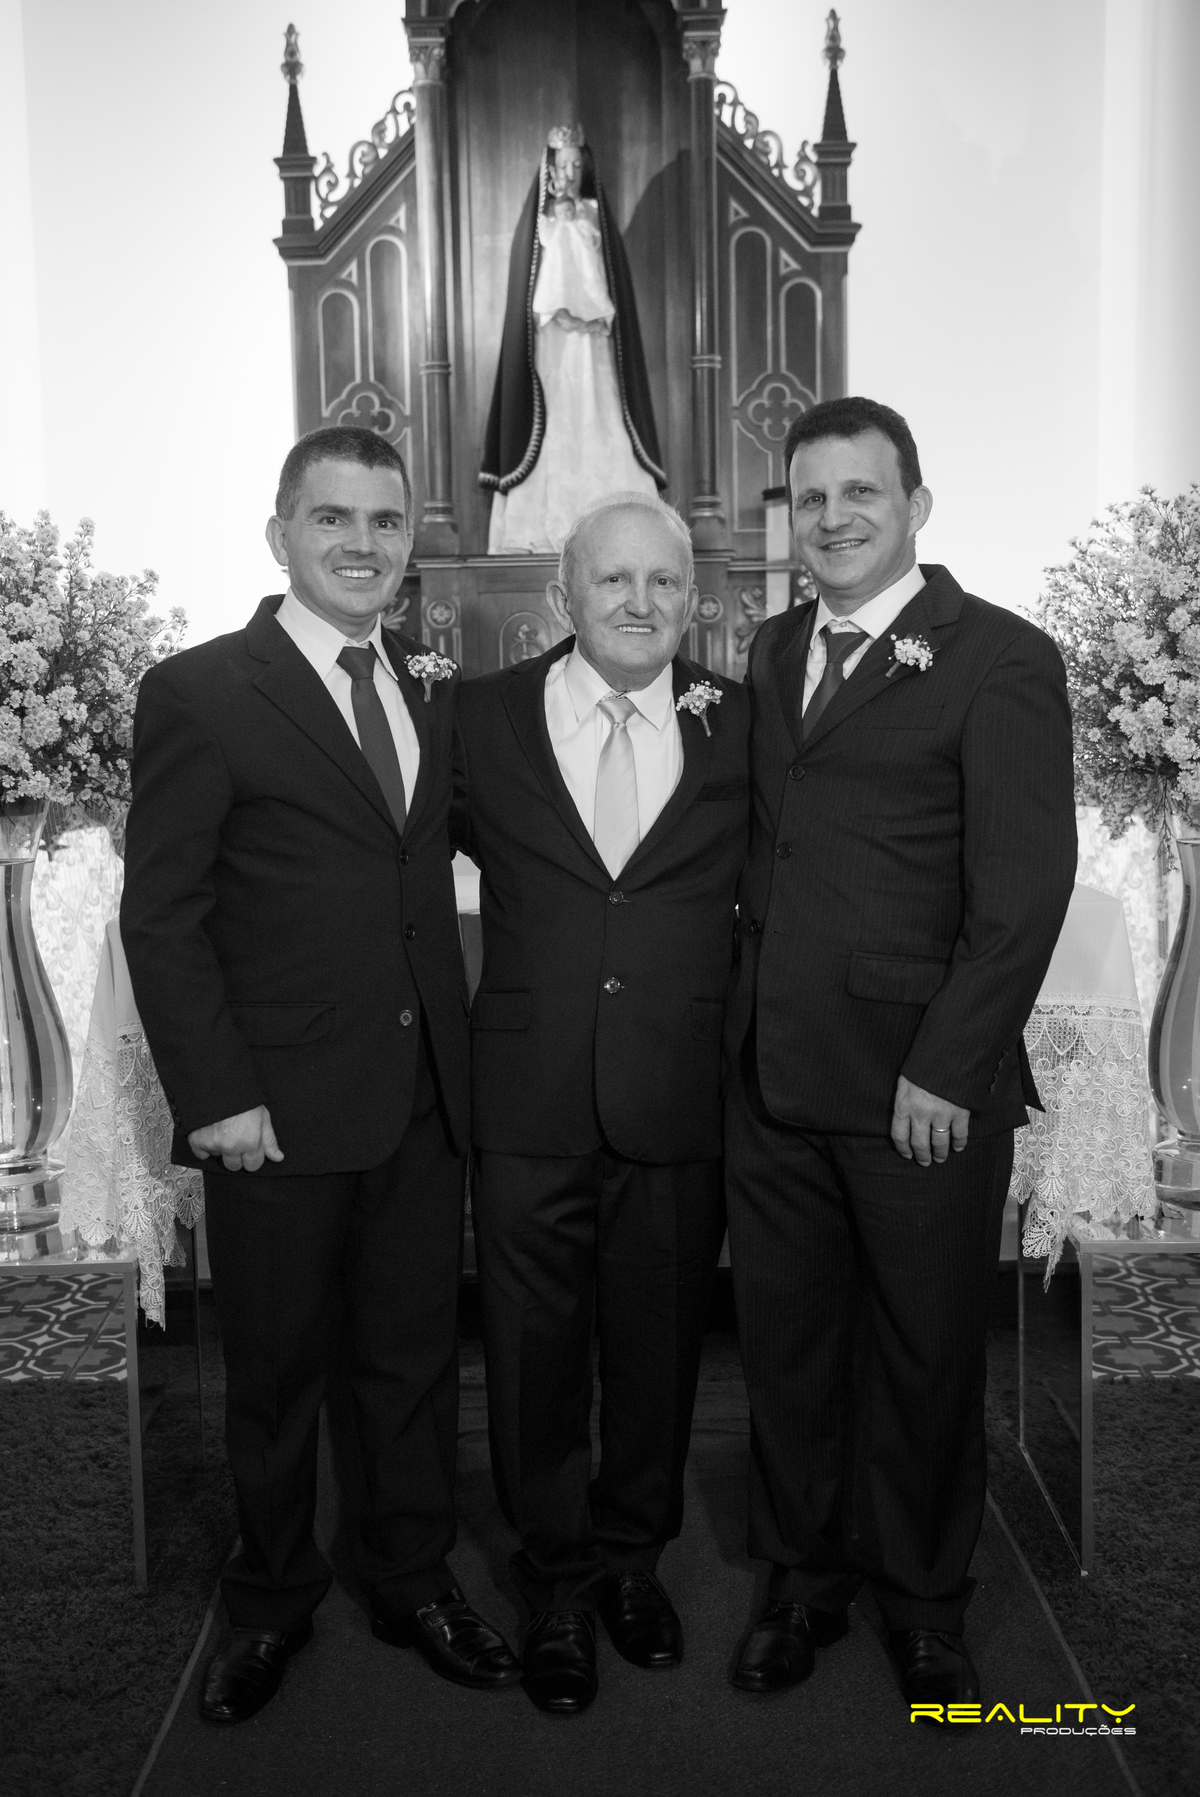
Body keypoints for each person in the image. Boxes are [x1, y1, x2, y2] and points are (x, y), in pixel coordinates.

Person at [120, 425, 520, 1725]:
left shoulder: (434, 683)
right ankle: (271, 1599)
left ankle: (410, 1578)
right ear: (279, 533)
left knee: (411, 1363)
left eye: (385, 521)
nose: (361, 543)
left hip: (420, 1097)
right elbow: (163, 918)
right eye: (332, 518)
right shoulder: (200, 691)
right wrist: (216, 1095)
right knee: (278, 1374)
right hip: (275, 1112)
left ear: (410, 545)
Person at [723, 398, 1076, 1713]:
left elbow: (1023, 892)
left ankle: (927, 1604)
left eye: (860, 494)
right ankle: (802, 1581)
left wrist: (947, 1064)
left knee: (925, 1356)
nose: (833, 519)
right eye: (811, 498)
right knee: (789, 1349)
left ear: (916, 506)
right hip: (774, 1078)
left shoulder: (1001, 658)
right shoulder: (770, 650)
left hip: (917, 1087)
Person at [452, 491, 750, 1715]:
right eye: (613, 580)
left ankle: (634, 1562)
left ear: (694, 601)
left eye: (663, 582)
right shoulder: (476, 719)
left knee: (658, 1352)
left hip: (677, 1096)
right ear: (562, 597)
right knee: (531, 1358)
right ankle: (557, 1585)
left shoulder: (741, 723)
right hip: (527, 1096)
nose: (639, 602)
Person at [480, 124, 665, 552]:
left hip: (595, 346)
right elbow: (528, 288)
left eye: (577, 165)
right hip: (549, 348)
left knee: (600, 420)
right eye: (562, 164)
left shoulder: (594, 217)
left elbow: (610, 281)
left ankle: (621, 534)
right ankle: (536, 533)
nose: (569, 173)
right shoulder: (539, 223)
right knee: (552, 427)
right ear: (549, 169)